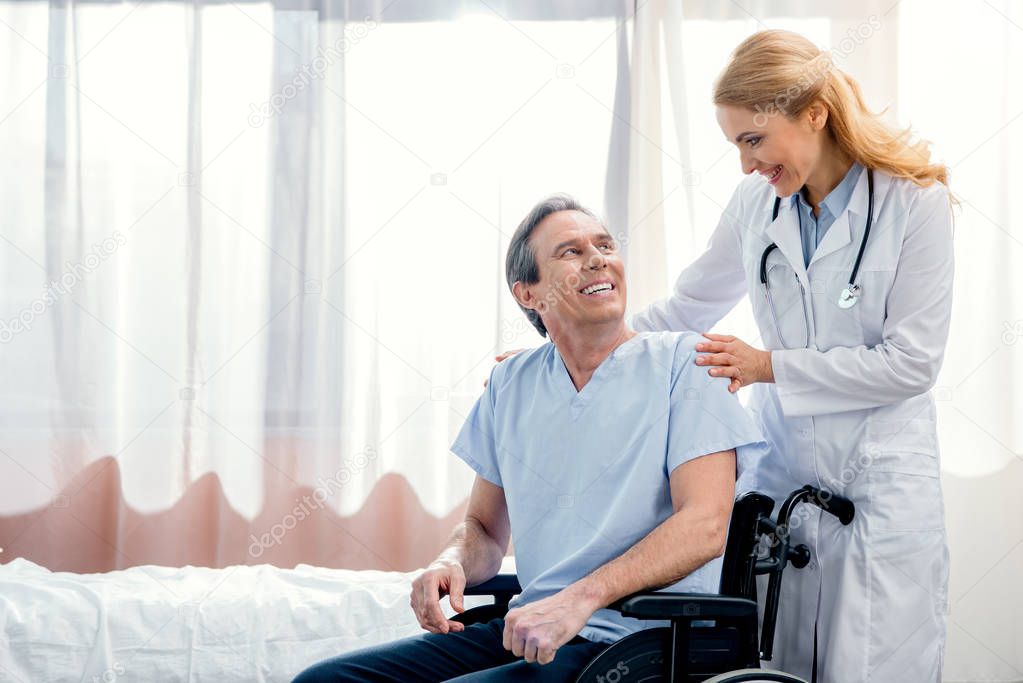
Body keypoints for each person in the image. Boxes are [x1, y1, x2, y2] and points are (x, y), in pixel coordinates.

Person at [293, 195, 766, 682]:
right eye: (570, 252)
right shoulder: (510, 382)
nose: (598, 257)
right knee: (322, 681)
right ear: (528, 295)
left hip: (639, 640)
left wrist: (579, 599)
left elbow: (705, 526)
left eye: (604, 245)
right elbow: (483, 527)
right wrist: (451, 561)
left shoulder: (687, 364)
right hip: (532, 631)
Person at [628, 29, 954, 682]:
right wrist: (567, 351)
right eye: (735, 146)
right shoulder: (755, 204)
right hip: (784, 486)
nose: (746, 165)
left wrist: (767, 365)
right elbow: (682, 311)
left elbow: (911, 364)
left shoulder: (914, 202)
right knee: (777, 670)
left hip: (880, 489)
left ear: (813, 113)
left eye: (753, 139)